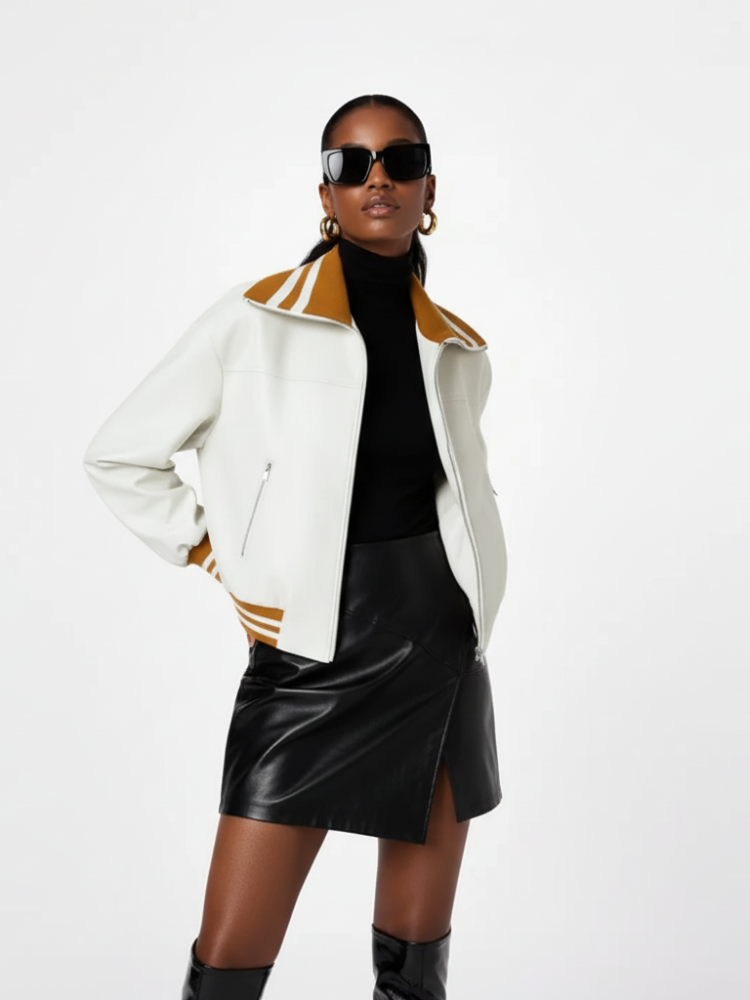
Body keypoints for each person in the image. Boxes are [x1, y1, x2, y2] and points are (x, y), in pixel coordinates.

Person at [84, 93, 508, 1000]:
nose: (377, 179)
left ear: (429, 188)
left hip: (438, 646)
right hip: (306, 654)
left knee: (414, 971)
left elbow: (458, 503)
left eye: (400, 160)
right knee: (230, 958)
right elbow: (118, 454)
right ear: (326, 194)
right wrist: (217, 558)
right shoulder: (253, 319)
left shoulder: (458, 349)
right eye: (351, 164)